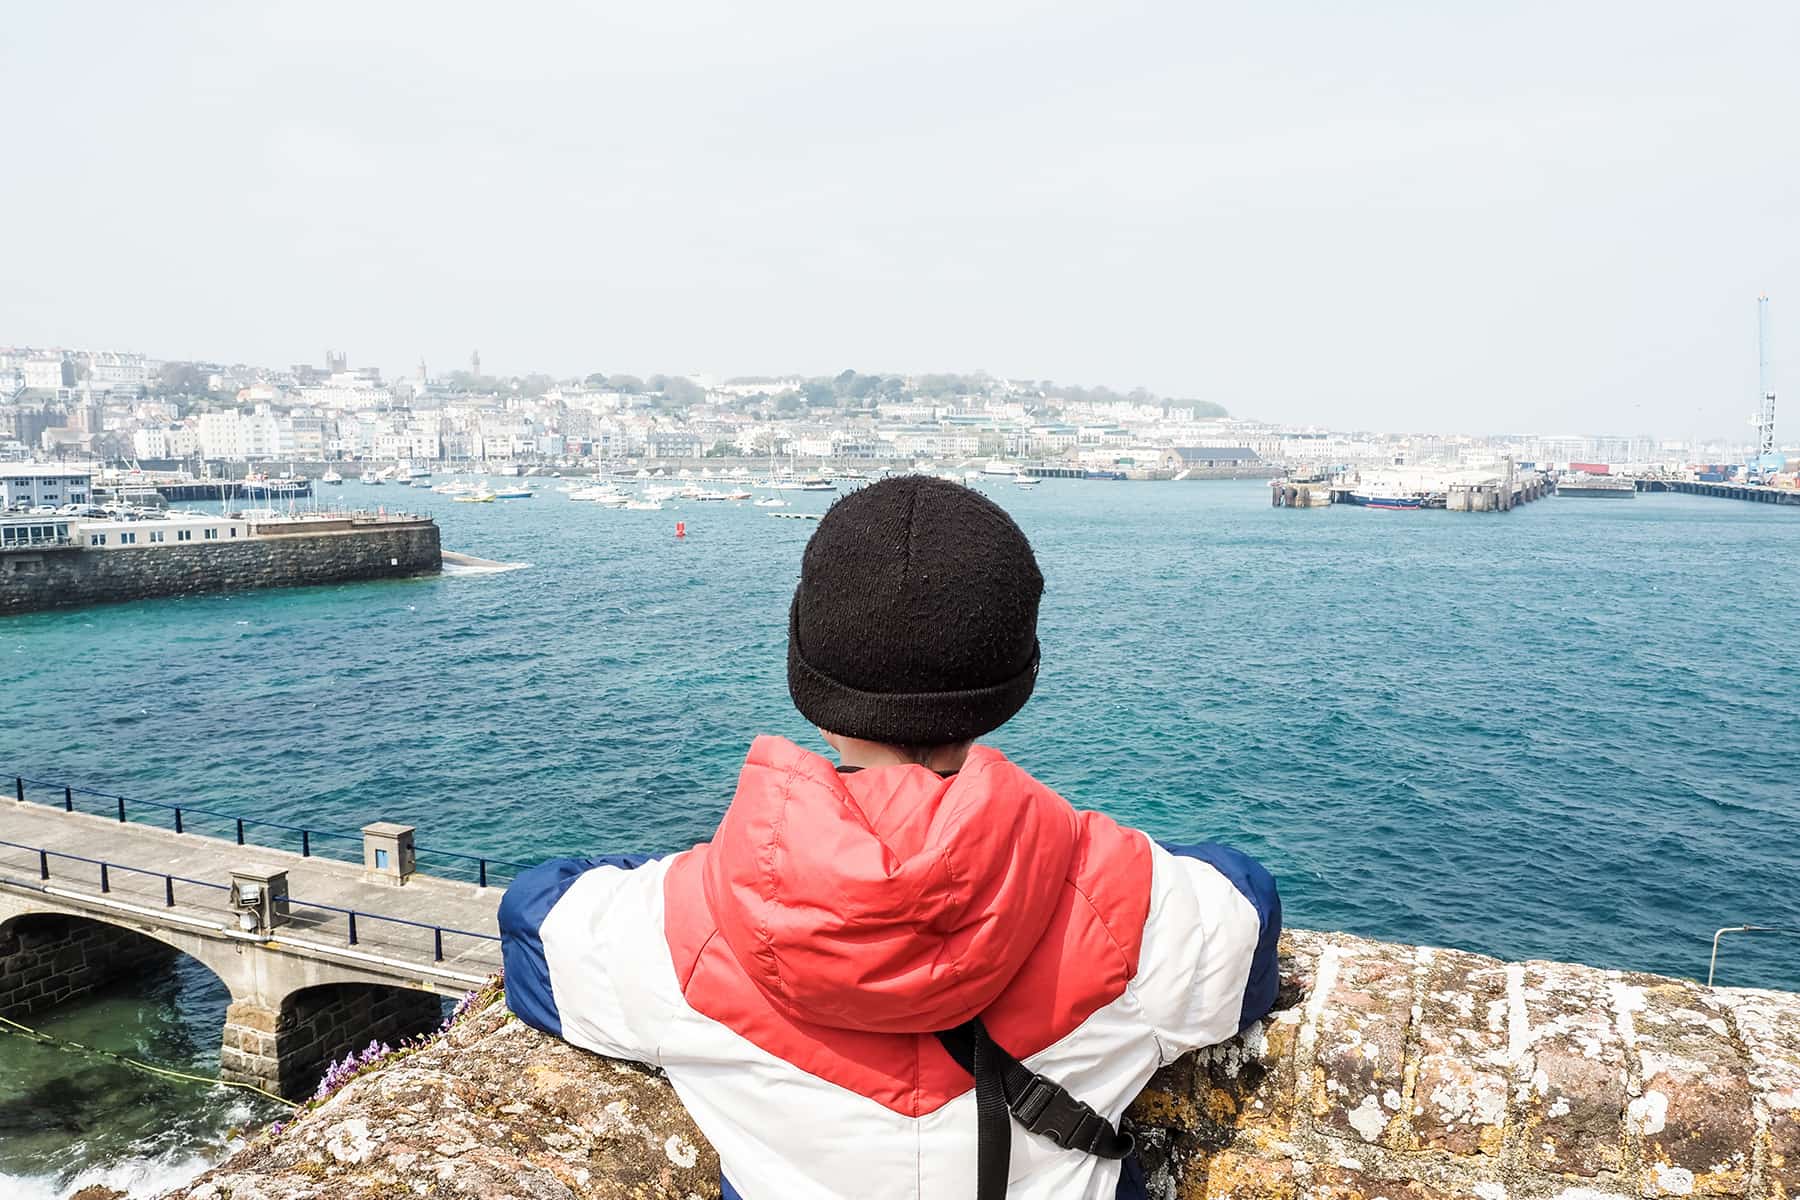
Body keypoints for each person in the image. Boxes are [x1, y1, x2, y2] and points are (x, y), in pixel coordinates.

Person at [500, 476, 1281, 1200]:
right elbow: (1246, 905)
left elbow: (535, 919)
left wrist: (694, 874)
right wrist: (1113, 864)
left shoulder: (681, 934)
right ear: (1016, 681)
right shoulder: (1137, 913)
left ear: (806, 677)